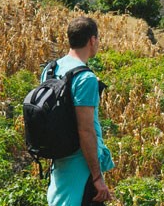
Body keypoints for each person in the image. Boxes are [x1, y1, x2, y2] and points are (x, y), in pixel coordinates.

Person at [48, 16, 114, 206]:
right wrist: (97, 177)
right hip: (81, 168)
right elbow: (85, 130)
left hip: (58, 162)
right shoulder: (86, 78)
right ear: (92, 40)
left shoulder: (51, 69)